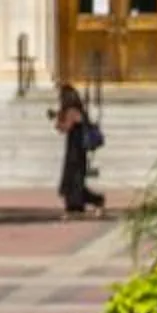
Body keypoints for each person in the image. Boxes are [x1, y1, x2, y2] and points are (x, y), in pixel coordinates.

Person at [55, 84, 104, 217]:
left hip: (76, 152)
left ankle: (94, 200)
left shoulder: (72, 111)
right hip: (76, 151)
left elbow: (64, 128)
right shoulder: (78, 110)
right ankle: (74, 206)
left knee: (74, 181)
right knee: (73, 181)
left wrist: (59, 119)